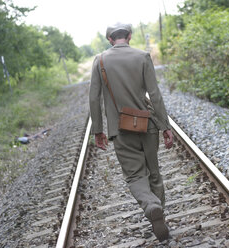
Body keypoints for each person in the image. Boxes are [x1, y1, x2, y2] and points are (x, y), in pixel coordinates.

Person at [89, 22, 174, 242]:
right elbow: (155, 95)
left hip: (120, 129)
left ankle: (151, 206)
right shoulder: (143, 56)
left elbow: (93, 98)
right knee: (154, 172)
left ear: (109, 39)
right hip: (148, 125)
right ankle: (159, 214)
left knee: (135, 175)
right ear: (129, 36)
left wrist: (98, 130)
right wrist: (165, 126)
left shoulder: (100, 61)